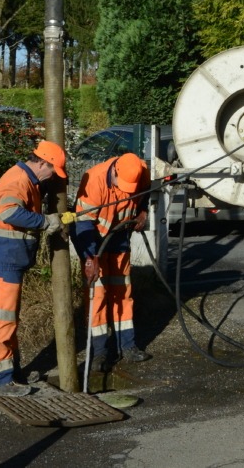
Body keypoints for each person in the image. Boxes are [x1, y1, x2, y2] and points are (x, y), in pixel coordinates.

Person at [0, 140, 68, 397]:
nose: (52, 176)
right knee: (2, 320)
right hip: (3, 259)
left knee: (8, 320)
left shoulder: (26, 178)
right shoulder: (17, 181)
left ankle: (9, 372)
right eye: (52, 171)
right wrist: (44, 221)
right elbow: (9, 212)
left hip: (6, 258)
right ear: (42, 163)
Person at [69, 151, 152, 373]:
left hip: (119, 238)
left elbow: (145, 195)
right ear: (114, 172)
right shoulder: (94, 179)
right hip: (93, 240)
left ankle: (127, 345)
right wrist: (89, 257)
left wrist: (143, 212)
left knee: (122, 292)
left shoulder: (142, 173)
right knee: (98, 296)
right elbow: (83, 224)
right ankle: (100, 352)